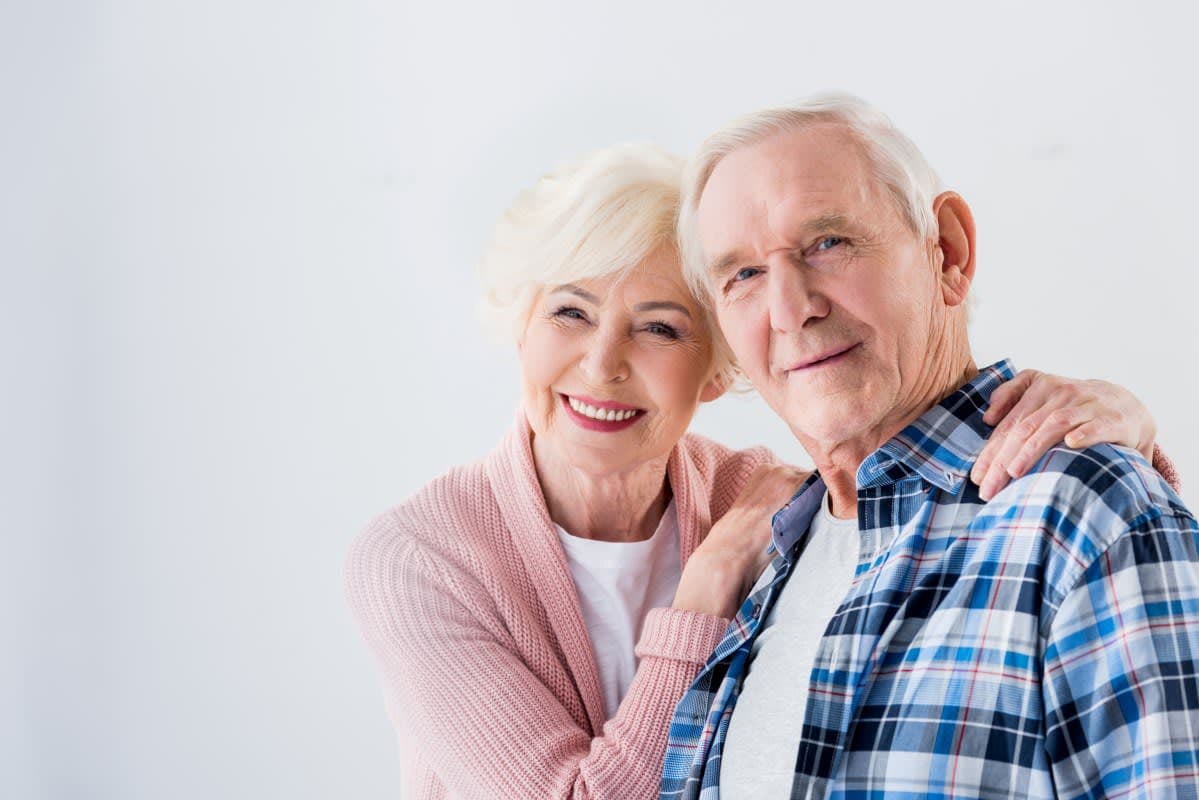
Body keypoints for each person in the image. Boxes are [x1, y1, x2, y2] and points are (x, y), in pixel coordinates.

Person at [345, 144, 1174, 800]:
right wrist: (701, 596)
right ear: (518, 324)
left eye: (660, 329)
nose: (601, 365)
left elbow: (919, 470)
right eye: (568, 311)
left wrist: (1120, 424)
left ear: (718, 368)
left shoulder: (775, 501)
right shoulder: (422, 558)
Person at [659, 93, 1196, 800]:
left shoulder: (1085, 515)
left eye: (827, 243)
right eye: (743, 275)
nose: (790, 310)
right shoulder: (763, 561)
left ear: (946, 250)